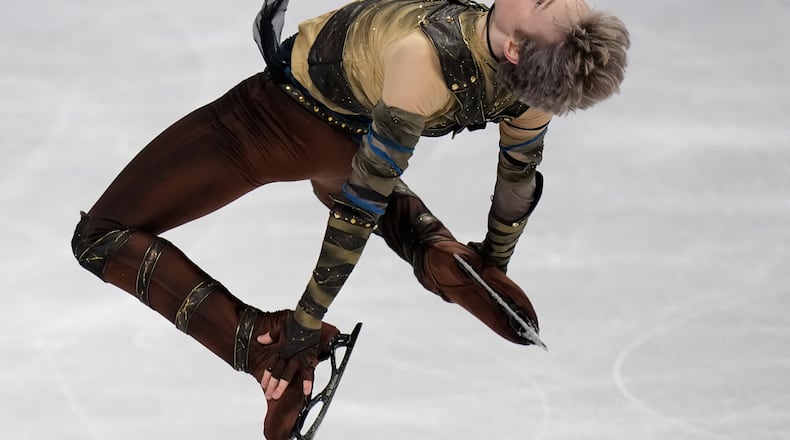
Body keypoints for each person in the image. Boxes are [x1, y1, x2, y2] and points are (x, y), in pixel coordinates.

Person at [70, 0, 629, 438]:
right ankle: (434, 250)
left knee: (100, 237)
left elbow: (359, 208)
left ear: (513, 48)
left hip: (280, 122)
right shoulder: (534, 86)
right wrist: (495, 263)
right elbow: (517, 178)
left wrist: (303, 328)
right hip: (355, 132)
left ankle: (255, 342)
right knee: (345, 174)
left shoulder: (422, 57)